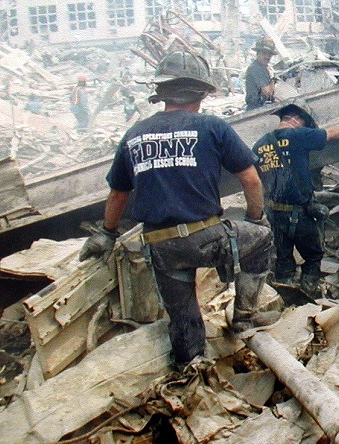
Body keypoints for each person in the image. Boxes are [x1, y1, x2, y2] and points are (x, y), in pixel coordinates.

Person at [78, 51, 280, 371]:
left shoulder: (135, 134)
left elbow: (118, 193)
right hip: (208, 238)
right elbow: (251, 180)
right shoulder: (212, 127)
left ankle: (189, 369)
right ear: (202, 93)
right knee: (260, 239)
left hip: (162, 246)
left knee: (184, 319)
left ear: (161, 93)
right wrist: (257, 219)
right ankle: (243, 318)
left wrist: (107, 234)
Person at [251, 98, 339, 296]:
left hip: (274, 213)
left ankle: (286, 294)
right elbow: (329, 134)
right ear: (298, 119)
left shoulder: (260, 143)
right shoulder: (298, 135)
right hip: (299, 214)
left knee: (282, 257)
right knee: (314, 255)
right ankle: (308, 294)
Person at [244, 38, 277, 110]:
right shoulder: (255, 68)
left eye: (269, 54)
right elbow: (267, 92)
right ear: (258, 53)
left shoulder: (264, 68)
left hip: (262, 105)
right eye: (264, 53)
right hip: (256, 108)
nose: (267, 57)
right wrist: (274, 80)